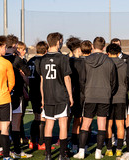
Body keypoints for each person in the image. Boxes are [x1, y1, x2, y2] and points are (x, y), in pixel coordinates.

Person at [73, 37, 117, 159]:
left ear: (93, 46)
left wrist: (86, 92)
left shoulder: (86, 61)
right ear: (104, 47)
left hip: (90, 96)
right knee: (101, 124)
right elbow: (114, 82)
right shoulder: (109, 62)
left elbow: (82, 81)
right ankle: (98, 152)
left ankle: (81, 151)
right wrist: (108, 92)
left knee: (85, 124)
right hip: (104, 96)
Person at [36, 32, 73, 160]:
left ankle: (48, 155)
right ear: (58, 42)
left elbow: (42, 81)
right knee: (63, 124)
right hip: (61, 96)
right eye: (61, 41)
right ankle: (62, 155)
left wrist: (42, 97)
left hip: (48, 96)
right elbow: (67, 78)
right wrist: (71, 96)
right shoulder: (63, 58)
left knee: (49, 124)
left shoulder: (42, 59)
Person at [28, 41, 55, 150]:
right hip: (42, 91)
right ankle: (41, 142)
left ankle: (32, 141)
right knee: (42, 118)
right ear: (46, 50)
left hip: (32, 91)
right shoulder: (43, 61)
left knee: (37, 117)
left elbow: (26, 76)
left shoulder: (30, 61)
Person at [10, 41, 32, 159]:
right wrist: (24, 77)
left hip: (10, 93)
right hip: (17, 93)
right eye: (22, 49)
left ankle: (9, 147)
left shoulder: (9, 60)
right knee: (16, 121)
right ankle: (17, 150)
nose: (24, 52)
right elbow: (27, 75)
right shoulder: (18, 60)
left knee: (13, 121)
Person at [105, 43, 127, 157]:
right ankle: (118, 148)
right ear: (119, 53)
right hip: (121, 97)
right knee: (120, 123)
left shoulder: (105, 64)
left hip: (107, 97)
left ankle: (109, 149)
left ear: (108, 53)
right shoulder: (124, 65)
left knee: (108, 124)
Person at [66, 37, 85, 154]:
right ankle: (74, 145)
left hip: (67, 95)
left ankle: (67, 143)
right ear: (78, 49)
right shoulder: (83, 62)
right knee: (78, 121)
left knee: (67, 121)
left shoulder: (66, 61)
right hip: (80, 94)